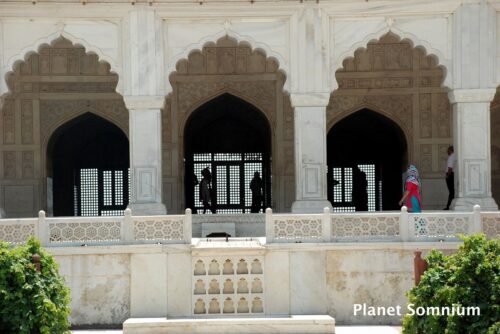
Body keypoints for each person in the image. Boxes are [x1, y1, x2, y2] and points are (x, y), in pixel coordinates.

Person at [444, 145, 455, 210]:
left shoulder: (451, 157)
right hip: (453, 175)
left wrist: (448, 175)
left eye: (448, 150)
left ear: (450, 150)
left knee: (451, 192)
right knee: (452, 191)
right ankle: (450, 206)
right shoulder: (455, 156)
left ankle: (448, 206)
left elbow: (450, 168)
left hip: (450, 175)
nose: (447, 152)